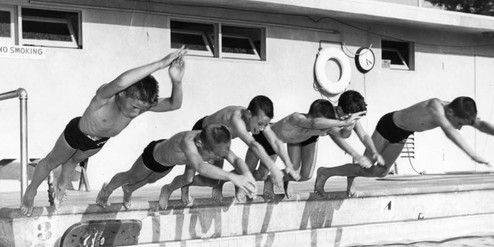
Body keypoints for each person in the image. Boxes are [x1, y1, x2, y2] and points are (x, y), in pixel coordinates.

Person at [20, 47, 188, 217]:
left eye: (141, 109)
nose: (136, 113)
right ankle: (31, 191)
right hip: (76, 133)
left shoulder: (139, 107)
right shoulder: (105, 98)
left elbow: (174, 104)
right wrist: (160, 64)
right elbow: (122, 81)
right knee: (51, 162)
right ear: (121, 94)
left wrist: (177, 82)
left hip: (98, 141)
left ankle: (62, 181)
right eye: (134, 107)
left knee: (72, 162)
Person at [314, 96, 494, 197]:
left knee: (380, 172)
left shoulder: (457, 110)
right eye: (459, 123)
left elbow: (480, 124)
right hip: (389, 126)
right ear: (450, 112)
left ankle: (347, 181)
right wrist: (472, 155)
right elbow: (450, 131)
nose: (460, 127)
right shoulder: (435, 107)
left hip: (402, 134)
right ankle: (325, 172)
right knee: (366, 164)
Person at [96, 124, 256, 210]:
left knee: (152, 180)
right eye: (217, 155)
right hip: (154, 156)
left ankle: (133, 190)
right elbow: (200, 166)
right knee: (132, 176)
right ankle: (106, 191)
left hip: (169, 163)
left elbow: (236, 159)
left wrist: (247, 175)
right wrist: (233, 177)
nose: (221, 157)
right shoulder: (188, 142)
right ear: (201, 144)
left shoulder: (217, 145)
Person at [182, 95, 300, 203]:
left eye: (265, 125)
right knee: (188, 178)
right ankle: (184, 186)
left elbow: (275, 141)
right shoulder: (236, 119)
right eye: (260, 124)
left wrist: (288, 164)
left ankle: (212, 185)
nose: (262, 128)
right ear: (248, 114)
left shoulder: (259, 120)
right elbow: (253, 144)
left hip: (220, 140)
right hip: (202, 132)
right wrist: (272, 167)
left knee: (213, 180)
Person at [248, 95, 369, 199]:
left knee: (303, 175)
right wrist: (344, 123)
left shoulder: (320, 128)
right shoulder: (297, 118)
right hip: (264, 138)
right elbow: (313, 123)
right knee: (257, 174)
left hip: (280, 144)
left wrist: (350, 123)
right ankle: (233, 179)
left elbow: (343, 134)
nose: (325, 129)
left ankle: (277, 180)